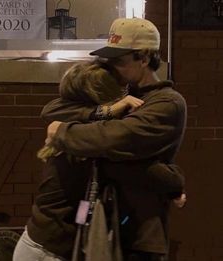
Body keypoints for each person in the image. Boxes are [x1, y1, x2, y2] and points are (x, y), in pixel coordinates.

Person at [43, 18, 187, 261]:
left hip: (140, 236)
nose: (111, 68)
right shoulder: (120, 96)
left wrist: (62, 133)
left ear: (144, 58)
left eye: (119, 61)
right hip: (100, 223)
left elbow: (111, 141)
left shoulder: (167, 103)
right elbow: (53, 109)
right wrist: (104, 111)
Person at [14, 61, 184, 261]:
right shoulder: (90, 145)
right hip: (48, 252)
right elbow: (146, 172)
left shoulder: (73, 133)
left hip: (39, 245)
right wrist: (176, 181)